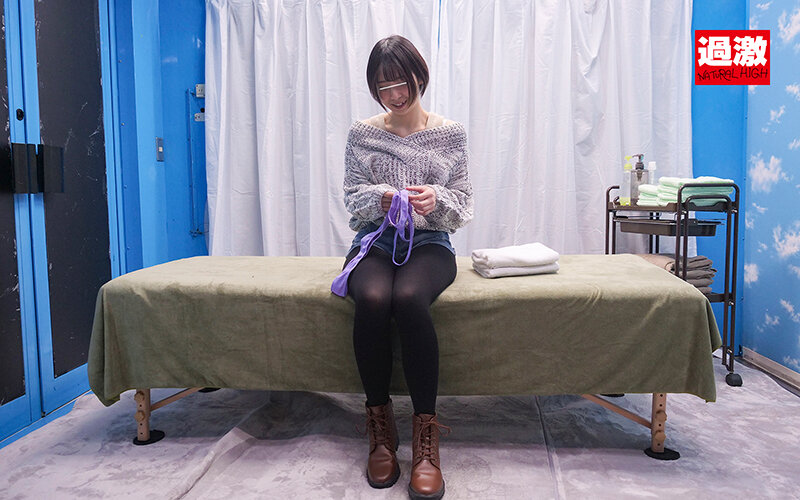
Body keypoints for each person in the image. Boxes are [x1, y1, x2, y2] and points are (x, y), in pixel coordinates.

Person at [340, 35, 473, 500]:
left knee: (410, 297)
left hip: (431, 243)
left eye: (401, 83)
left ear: (420, 77)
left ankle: (425, 442)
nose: (394, 95)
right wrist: (380, 197)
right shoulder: (362, 133)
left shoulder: (451, 134)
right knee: (373, 297)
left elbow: (463, 203)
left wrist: (437, 199)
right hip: (374, 241)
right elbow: (351, 198)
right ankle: (380, 430)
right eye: (383, 87)